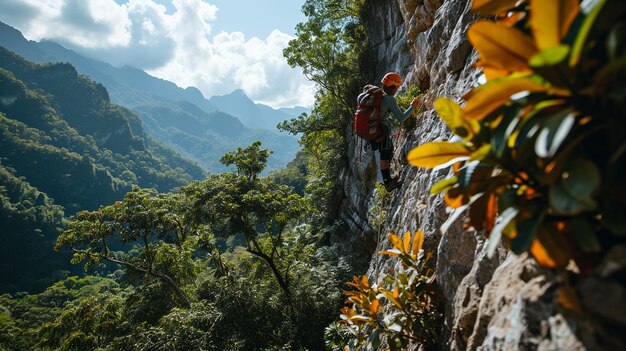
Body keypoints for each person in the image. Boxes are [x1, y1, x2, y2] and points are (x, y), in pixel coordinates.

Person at [371, 72, 422, 192]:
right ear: (393, 87)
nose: (397, 89)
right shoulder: (389, 99)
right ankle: (388, 183)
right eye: (397, 87)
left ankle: (389, 180)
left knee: (386, 153)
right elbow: (401, 118)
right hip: (380, 131)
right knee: (385, 154)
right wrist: (412, 106)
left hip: (373, 130)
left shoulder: (380, 96)